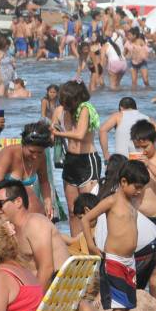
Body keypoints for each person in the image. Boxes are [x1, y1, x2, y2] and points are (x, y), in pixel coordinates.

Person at [81, 160, 148, 311]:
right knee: (120, 303)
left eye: (142, 188)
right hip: (114, 259)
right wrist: (91, 245)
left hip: (129, 261)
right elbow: (86, 219)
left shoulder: (133, 202)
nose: (139, 191)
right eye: (137, 187)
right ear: (124, 182)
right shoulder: (111, 200)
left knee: (127, 303)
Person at [0, 178, 68, 290]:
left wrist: (33, 302)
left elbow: (46, 268)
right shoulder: (14, 230)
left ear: (18, 202)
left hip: (57, 292)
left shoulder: (35, 223)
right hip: (40, 290)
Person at [129, 120, 156, 302]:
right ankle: (133, 299)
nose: (142, 150)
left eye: (145, 146)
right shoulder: (132, 160)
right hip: (135, 218)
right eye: (138, 146)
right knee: (131, 262)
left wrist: (149, 164)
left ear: (154, 141)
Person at [52, 80, 103, 237]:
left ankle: (92, 244)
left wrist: (59, 133)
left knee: (88, 209)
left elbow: (80, 135)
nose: (64, 104)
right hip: (70, 161)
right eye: (62, 100)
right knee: (73, 210)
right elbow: (52, 129)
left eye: (67, 101)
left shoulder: (85, 109)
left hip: (88, 161)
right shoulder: (60, 110)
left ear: (76, 99)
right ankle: (76, 245)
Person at [0, 122, 56, 220]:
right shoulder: (9, 154)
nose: (35, 156)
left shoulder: (41, 157)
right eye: (31, 151)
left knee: (39, 209)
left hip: (18, 200)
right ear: (23, 144)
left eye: (40, 152)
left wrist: (48, 201)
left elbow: (44, 182)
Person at [99, 97, 156, 161]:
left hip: (122, 160)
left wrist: (106, 155)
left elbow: (102, 130)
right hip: (140, 160)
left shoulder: (118, 115)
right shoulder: (146, 118)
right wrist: (155, 157)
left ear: (121, 108)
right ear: (136, 108)